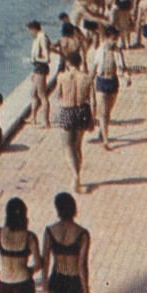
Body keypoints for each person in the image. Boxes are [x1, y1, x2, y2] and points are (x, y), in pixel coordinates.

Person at [54, 53, 93, 194]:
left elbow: (58, 95)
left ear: (68, 63)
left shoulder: (62, 77)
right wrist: (92, 119)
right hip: (83, 111)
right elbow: (91, 100)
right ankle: (78, 178)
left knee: (67, 147)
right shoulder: (86, 78)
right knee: (77, 147)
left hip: (67, 110)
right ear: (80, 62)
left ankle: (75, 176)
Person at [90, 24, 128, 148]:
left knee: (108, 112)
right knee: (102, 112)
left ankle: (103, 130)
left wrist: (127, 77)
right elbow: (94, 68)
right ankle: (106, 140)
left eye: (116, 39)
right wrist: (88, 82)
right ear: (106, 38)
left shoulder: (117, 51)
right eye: (112, 38)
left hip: (113, 82)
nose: (114, 41)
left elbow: (123, 67)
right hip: (101, 81)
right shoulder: (99, 51)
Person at [26, 21, 52, 127]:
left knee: (42, 95)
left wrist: (34, 59)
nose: (30, 33)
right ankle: (33, 117)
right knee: (33, 93)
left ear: (34, 29)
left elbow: (47, 58)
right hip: (37, 68)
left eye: (30, 31)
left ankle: (46, 122)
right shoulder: (38, 38)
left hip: (41, 68)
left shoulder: (42, 39)